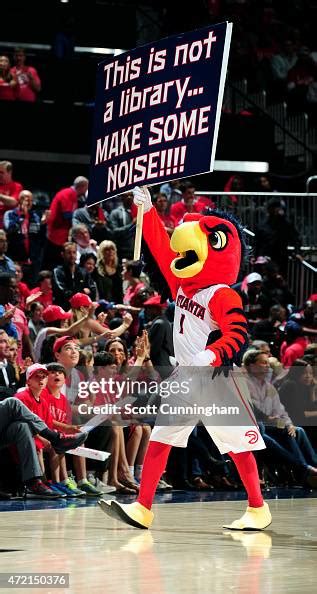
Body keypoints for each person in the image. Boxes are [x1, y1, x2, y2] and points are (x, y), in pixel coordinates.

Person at [100, 186, 272, 531]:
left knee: (237, 445)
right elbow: (162, 248)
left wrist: (212, 353)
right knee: (162, 437)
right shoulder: (182, 284)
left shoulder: (222, 293)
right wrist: (147, 211)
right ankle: (143, 507)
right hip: (184, 375)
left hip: (216, 376)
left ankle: (257, 507)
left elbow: (237, 334)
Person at [244, 349, 317, 487]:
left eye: (267, 363)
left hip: (271, 425)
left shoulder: (269, 387)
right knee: (284, 431)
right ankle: (305, 470)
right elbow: (252, 409)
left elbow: (281, 411)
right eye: (263, 363)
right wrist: (272, 419)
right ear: (252, 366)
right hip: (255, 426)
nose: (267, 366)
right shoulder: (244, 384)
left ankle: (310, 469)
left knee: (295, 430)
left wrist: (289, 424)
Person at [0, 394, 87, 499]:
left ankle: (33, 483)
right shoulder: (23, 395)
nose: (41, 379)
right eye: (37, 377)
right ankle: (55, 438)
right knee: (12, 402)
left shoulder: (45, 400)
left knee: (22, 427)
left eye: (43, 377)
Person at [45, 176, 89, 268]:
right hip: (56, 235)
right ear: (82, 186)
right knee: (56, 265)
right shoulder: (68, 193)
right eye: (86, 188)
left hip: (60, 234)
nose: (86, 191)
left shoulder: (73, 195)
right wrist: (82, 212)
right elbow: (67, 215)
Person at [52, 241, 97, 310]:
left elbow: (93, 291)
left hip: (82, 309)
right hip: (64, 309)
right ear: (62, 254)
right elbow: (63, 292)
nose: (72, 255)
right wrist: (83, 291)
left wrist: (75, 292)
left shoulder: (83, 271)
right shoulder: (58, 271)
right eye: (69, 253)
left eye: (74, 252)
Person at [0, 161, 23, 230]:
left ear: (10, 172)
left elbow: (14, 202)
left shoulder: (17, 186)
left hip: (7, 226)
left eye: (1, 172)